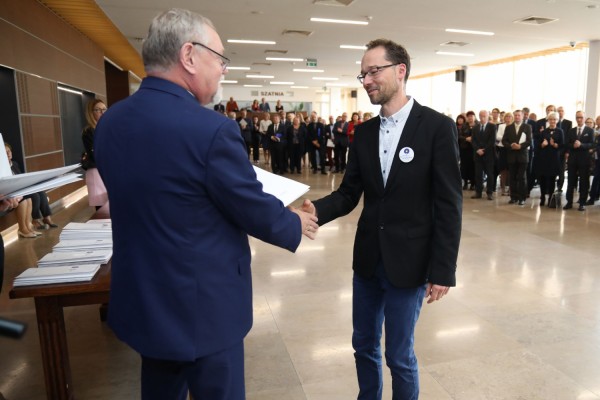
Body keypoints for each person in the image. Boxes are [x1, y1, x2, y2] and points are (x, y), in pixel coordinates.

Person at [93, 9, 318, 400]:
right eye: (220, 58)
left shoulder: (111, 122)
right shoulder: (211, 130)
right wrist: (293, 222)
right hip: (204, 307)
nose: (224, 70)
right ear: (189, 56)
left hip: (145, 298)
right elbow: (248, 205)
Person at [302, 38, 462, 400]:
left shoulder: (436, 127)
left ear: (400, 71)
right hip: (369, 260)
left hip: (410, 263)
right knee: (363, 344)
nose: (367, 80)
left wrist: (443, 270)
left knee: (399, 355)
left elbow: (449, 204)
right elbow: (348, 193)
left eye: (374, 71)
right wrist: (318, 210)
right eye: (363, 74)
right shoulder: (364, 133)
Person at [5, 143, 41, 238]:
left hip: (17, 191)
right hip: (9, 194)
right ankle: (22, 229)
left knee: (29, 198)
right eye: (5, 152)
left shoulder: (15, 164)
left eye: (9, 151)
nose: (8, 153)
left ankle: (27, 226)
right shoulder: (2, 168)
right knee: (24, 201)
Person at [564, 111, 595, 211]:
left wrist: (581, 145)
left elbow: (592, 144)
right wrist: (573, 145)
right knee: (570, 181)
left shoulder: (590, 131)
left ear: (584, 118)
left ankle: (582, 203)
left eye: (581, 117)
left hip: (584, 160)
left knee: (584, 182)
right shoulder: (571, 131)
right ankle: (569, 202)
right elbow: (567, 144)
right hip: (572, 160)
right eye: (577, 117)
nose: (579, 119)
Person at [82, 99, 108, 210]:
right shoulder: (89, 131)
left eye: (104, 109)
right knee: (101, 208)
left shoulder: (105, 128)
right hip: (96, 172)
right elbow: (97, 153)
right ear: (91, 113)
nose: (102, 112)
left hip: (106, 171)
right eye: (98, 110)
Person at [533, 112, 563, 206]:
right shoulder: (544, 132)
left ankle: (550, 198)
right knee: (542, 178)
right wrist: (542, 144)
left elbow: (563, 145)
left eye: (554, 119)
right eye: (551, 119)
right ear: (548, 120)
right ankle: (542, 197)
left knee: (551, 179)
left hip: (554, 158)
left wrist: (555, 145)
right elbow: (537, 145)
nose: (552, 121)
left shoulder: (560, 131)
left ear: (557, 121)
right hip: (544, 158)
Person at [502, 109, 532, 205]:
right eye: (515, 115)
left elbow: (529, 141)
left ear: (522, 116)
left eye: (519, 115)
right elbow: (504, 141)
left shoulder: (527, 127)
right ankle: (513, 197)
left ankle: (522, 198)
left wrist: (520, 146)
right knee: (512, 177)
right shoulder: (509, 127)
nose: (517, 117)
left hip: (522, 156)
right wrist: (511, 145)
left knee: (522, 177)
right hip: (511, 155)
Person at [471, 110, 497, 200]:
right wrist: (477, 149)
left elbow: (492, 141)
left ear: (487, 116)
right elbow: (473, 140)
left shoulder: (492, 127)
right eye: (481, 116)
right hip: (478, 154)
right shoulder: (475, 127)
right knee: (478, 174)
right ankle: (478, 192)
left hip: (488, 154)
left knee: (490, 174)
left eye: (484, 116)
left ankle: (489, 192)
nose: (482, 118)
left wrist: (484, 150)